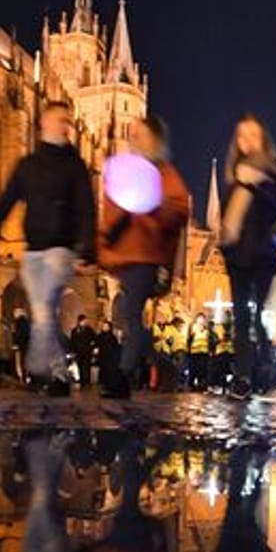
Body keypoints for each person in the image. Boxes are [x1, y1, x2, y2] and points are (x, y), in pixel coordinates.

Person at [0, 101, 97, 398]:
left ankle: (41, 367)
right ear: (43, 124)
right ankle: (58, 373)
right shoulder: (29, 165)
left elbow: (87, 208)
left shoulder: (75, 165)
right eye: (60, 120)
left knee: (45, 307)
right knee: (44, 312)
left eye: (68, 122)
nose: (66, 126)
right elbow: (6, 200)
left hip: (61, 250)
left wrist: (87, 248)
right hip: (32, 250)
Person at [96, 115, 190, 399]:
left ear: (155, 139)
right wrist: (102, 244)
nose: (133, 138)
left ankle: (122, 378)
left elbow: (178, 208)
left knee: (131, 315)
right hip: (127, 255)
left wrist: (152, 206)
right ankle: (162, 364)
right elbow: (112, 214)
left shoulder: (162, 172)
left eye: (140, 134)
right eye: (132, 133)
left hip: (146, 255)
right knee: (131, 316)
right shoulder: (129, 170)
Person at [219, 114, 276, 399]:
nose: (247, 141)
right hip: (237, 253)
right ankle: (242, 378)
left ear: (263, 139)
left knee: (257, 317)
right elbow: (228, 216)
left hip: (263, 253)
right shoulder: (234, 173)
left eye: (253, 135)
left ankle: (265, 365)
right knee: (241, 317)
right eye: (241, 135)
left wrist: (257, 185)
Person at [68, 314, 97, 389]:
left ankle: (86, 382)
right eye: (83, 321)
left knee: (86, 367)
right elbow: (72, 341)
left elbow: (94, 339)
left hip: (87, 352)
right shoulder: (75, 331)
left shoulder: (89, 330)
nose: (85, 322)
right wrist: (72, 351)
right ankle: (82, 381)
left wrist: (92, 347)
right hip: (78, 352)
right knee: (80, 366)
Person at [187, 313, 213, 392]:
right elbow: (189, 340)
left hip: (204, 353)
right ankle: (191, 385)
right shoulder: (193, 328)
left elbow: (209, 341)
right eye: (200, 319)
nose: (201, 321)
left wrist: (210, 350)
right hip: (194, 353)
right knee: (193, 369)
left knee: (203, 370)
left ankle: (201, 385)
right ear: (197, 320)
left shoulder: (206, 330)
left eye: (203, 319)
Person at [94, 320, 121, 388]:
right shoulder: (100, 336)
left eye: (106, 326)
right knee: (102, 369)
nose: (104, 327)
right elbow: (96, 344)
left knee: (108, 370)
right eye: (104, 326)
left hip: (109, 357)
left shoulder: (112, 337)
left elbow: (114, 346)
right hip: (102, 356)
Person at [11, 307, 31, 382]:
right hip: (27, 346)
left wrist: (16, 342)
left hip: (20, 346)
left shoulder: (18, 322)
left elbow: (18, 334)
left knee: (20, 363)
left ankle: (22, 378)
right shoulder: (27, 323)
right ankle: (26, 377)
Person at [0, 318, 14, 384]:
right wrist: (10, 350)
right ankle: (3, 382)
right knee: (3, 368)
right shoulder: (7, 331)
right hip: (5, 352)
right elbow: (9, 342)